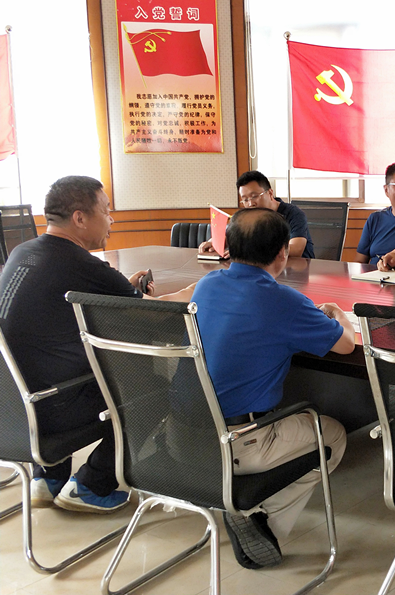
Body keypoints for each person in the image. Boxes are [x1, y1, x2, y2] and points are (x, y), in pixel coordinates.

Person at [0, 176, 195, 513]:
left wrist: (119, 288)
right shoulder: (81, 263)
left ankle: (48, 477)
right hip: (52, 409)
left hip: (12, 409)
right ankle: (91, 484)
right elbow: (155, 314)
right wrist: (193, 291)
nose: (111, 219)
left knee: (49, 361)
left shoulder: (23, 252)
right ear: (80, 218)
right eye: (105, 211)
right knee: (153, 390)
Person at [192, 208, 353, 568]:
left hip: (185, 434)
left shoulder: (207, 284)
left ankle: (253, 515)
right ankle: (261, 521)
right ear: (283, 252)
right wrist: (339, 316)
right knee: (333, 435)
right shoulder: (283, 301)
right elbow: (346, 345)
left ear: (229, 248)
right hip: (239, 442)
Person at [198, 170, 314, 258]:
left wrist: (248, 251)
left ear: (270, 193)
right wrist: (214, 243)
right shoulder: (248, 216)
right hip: (263, 269)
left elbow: (296, 249)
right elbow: (231, 236)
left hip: (297, 271)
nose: (250, 204)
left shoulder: (294, 214)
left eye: (254, 196)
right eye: (245, 199)